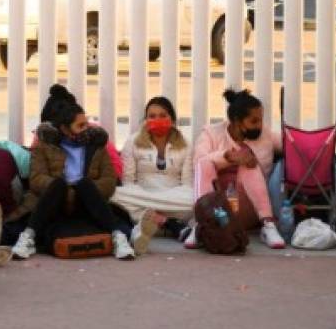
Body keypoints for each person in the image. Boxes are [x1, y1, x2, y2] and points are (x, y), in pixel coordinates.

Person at [10, 87, 135, 261]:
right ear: (65, 129)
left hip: (86, 200)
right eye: (80, 125)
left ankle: (118, 238)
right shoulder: (45, 147)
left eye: (87, 123)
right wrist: (67, 190)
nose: (87, 128)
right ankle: (28, 238)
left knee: (85, 184)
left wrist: (78, 190)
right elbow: (36, 180)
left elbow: (109, 181)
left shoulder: (97, 146)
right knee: (57, 184)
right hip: (55, 202)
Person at [187, 88, 286, 250]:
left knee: (248, 162)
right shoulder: (211, 134)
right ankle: (200, 224)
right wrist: (227, 157)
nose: (260, 125)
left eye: (260, 120)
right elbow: (198, 162)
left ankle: (268, 225)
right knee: (204, 164)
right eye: (253, 121)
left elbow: (291, 144)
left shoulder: (265, 135)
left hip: (250, 211)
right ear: (236, 121)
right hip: (217, 211)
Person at [111, 96, 194, 255]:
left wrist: (153, 204)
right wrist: (144, 198)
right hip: (143, 195)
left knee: (193, 198)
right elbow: (128, 182)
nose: (158, 120)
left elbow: (187, 184)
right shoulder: (133, 141)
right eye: (152, 116)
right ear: (146, 120)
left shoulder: (185, 143)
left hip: (174, 197)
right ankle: (167, 222)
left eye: (163, 115)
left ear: (172, 119)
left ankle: (149, 220)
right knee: (115, 194)